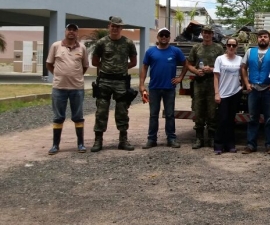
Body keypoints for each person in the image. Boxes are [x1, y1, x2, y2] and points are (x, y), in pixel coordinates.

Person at [91, 16, 138, 152]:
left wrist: (121, 69)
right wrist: (107, 68)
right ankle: (98, 140)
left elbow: (134, 62)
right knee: (101, 111)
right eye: (113, 26)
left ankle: (123, 140)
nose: (115, 28)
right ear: (109, 26)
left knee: (122, 111)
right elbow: (95, 62)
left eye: (118, 26)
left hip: (121, 82)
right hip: (104, 81)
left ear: (121, 28)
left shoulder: (128, 43)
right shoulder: (101, 43)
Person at [139, 28, 188, 149]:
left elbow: (186, 64)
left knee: (170, 114)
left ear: (169, 37)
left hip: (169, 88)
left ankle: (171, 138)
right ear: (158, 37)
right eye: (162, 35)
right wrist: (141, 84)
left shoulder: (175, 51)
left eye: (166, 35)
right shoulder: (150, 52)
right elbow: (144, 68)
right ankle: (151, 139)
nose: (164, 37)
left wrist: (180, 77)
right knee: (153, 114)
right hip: (154, 88)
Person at [46, 23, 89, 155]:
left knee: (78, 116)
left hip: (77, 88)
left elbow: (85, 66)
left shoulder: (82, 48)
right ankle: (55, 145)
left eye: (74, 30)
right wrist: (59, 75)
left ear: (77, 33)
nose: (71, 32)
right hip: (59, 87)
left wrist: (75, 76)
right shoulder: (56, 46)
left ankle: (80, 144)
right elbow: (49, 64)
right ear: (65, 31)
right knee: (58, 116)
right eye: (69, 29)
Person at [240, 30, 270, 154]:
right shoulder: (250, 51)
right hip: (253, 90)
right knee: (252, 118)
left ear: (269, 39)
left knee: (269, 119)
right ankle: (251, 145)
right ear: (257, 39)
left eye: (265, 37)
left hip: (268, 90)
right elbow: (243, 67)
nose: (262, 39)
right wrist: (246, 84)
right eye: (260, 37)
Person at [187, 25, 224, 149]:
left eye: (209, 32)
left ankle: (212, 138)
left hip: (213, 83)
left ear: (213, 34)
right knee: (199, 110)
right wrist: (196, 71)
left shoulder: (218, 48)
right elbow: (189, 64)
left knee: (212, 111)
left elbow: (223, 65)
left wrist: (212, 69)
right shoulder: (196, 47)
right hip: (199, 83)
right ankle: (199, 138)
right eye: (205, 32)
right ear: (202, 33)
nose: (207, 35)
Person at [213, 38, 243, 154]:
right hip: (223, 94)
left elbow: (243, 74)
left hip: (235, 93)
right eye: (229, 45)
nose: (231, 47)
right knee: (222, 119)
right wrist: (217, 93)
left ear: (237, 46)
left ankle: (230, 144)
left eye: (233, 45)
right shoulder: (220, 59)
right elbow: (216, 77)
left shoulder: (240, 59)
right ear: (226, 46)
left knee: (231, 120)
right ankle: (218, 145)